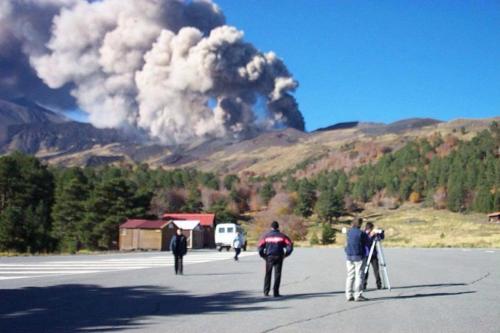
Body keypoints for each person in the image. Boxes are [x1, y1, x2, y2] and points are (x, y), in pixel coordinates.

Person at [257, 221, 293, 297]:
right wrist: (286, 255)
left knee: (268, 274)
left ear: (271, 227)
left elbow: (260, 247)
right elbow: (289, 246)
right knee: (277, 274)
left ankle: (266, 291)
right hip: (279, 256)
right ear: (278, 227)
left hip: (269, 257)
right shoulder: (282, 236)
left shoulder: (266, 236)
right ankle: (276, 292)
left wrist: (263, 256)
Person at [345, 217, 368, 302]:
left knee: (350, 276)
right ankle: (358, 295)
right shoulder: (361, 233)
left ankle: (348, 295)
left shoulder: (349, 232)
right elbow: (367, 242)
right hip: (358, 256)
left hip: (349, 256)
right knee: (359, 276)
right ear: (360, 224)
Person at [363, 222, 384, 290]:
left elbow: (381, 237)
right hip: (366, 254)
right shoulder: (364, 233)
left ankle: (379, 284)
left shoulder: (374, 233)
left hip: (374, 254)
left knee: (376, 270)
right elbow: (366, 242)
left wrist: (380, 232)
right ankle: (364, 284)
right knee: (365, 270)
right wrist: (370, 236)